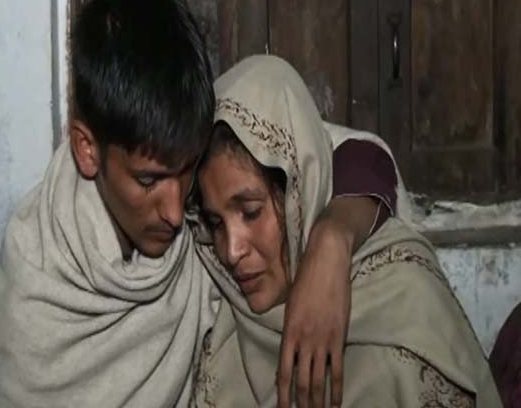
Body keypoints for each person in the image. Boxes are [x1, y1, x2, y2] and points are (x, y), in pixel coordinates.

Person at [0, 0, 399, 407]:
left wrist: (332, 240)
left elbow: (353, 153)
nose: (178, 213)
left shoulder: (194, 148)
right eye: (149, 181)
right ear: (88, 149)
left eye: (186, 173)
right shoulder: (34, 287)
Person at [192, 54, 502, 407]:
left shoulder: (403, 310)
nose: (231, 251)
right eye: (216, 223)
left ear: (299, 193)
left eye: (250, 212)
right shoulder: (225, 313)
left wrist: (332, 237)